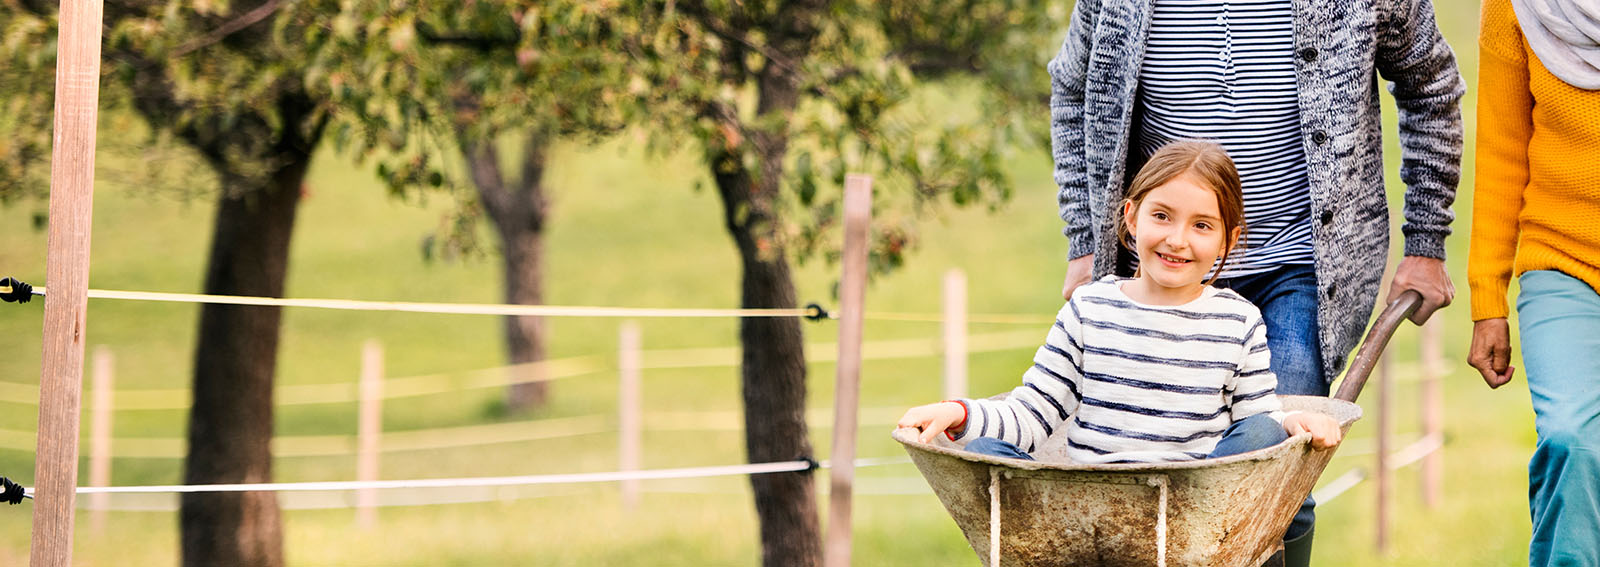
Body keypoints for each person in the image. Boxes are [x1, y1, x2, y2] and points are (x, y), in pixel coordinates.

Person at [1047, 0, 1464, 562]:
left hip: (1299, 265)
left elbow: (1430, 85)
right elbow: (1074, 90)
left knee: (1277, 470)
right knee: (1149, 462)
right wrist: (1084, 238)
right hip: (1165, 267)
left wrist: (1427, 239)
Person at [898, 139, 1341, 471]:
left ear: (1229, 238)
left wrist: (1292, 420)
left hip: (1197, 503)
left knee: (1267, 439)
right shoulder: (1090, 310)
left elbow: (1256, 422)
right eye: (1161, 215)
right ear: (1131, 216)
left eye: (1202, 225)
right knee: (985, 456)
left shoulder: (1238, 320)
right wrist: (959, 412)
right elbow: (1031, 414)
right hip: (1091, 502)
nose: (1177, 239)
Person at [1467, 0, 1600, 564]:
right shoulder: (1516, 8)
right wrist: (1486, 297)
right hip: (1563, 257)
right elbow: (1501, 152)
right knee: (1573, 439)